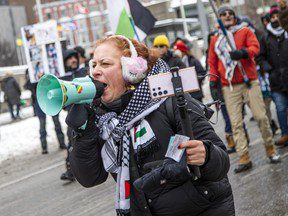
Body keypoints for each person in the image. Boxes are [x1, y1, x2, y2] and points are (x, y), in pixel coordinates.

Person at [67, 35, 234, 216]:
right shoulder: (103, 122)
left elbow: (222, 162)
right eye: (94, 65)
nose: (96, 72)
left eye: (105, 64)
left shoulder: (170, 101)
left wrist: (206, 155)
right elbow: (90, 178)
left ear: (132, 69)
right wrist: (83, 133)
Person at [208, 5, 281, 173]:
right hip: (230, 86)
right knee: (236, 123)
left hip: (250, 82)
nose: (227, 16)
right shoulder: (216, 39)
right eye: (223, 14)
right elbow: (212, 62)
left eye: (230, 13)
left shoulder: (245, 31)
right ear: (219, 18)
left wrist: (242, 53)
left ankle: (270, 148)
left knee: (261, 117)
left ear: (234, 16)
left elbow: (255, 48)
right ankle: (244, 157)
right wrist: (213, 81)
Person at [258, 7, 288, 146]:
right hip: (276, 79)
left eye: (277, 16)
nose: (275, 18)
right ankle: (285, 134)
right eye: (273, 16)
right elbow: (260, 57)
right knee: (280, 108)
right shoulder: (265, 37)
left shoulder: (286, 32)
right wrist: (268, 68)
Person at [60, 49, 88, 181]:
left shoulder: (84, 72)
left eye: (74, 57)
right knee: (72, 143)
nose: (73, 60)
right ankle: (71, 169)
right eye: (69, 58)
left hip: (90, 113)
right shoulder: (62, 78)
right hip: (73, 115)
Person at [34, 72, 66, 154]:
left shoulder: (48, 70)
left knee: (57, 124)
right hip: (40, 104)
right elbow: (28, 86)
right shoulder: (31, 72)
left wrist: (45, 77)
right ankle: (44, 148)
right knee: (42, 127)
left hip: (51, 102)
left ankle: (62, 143)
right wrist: (37, 79)